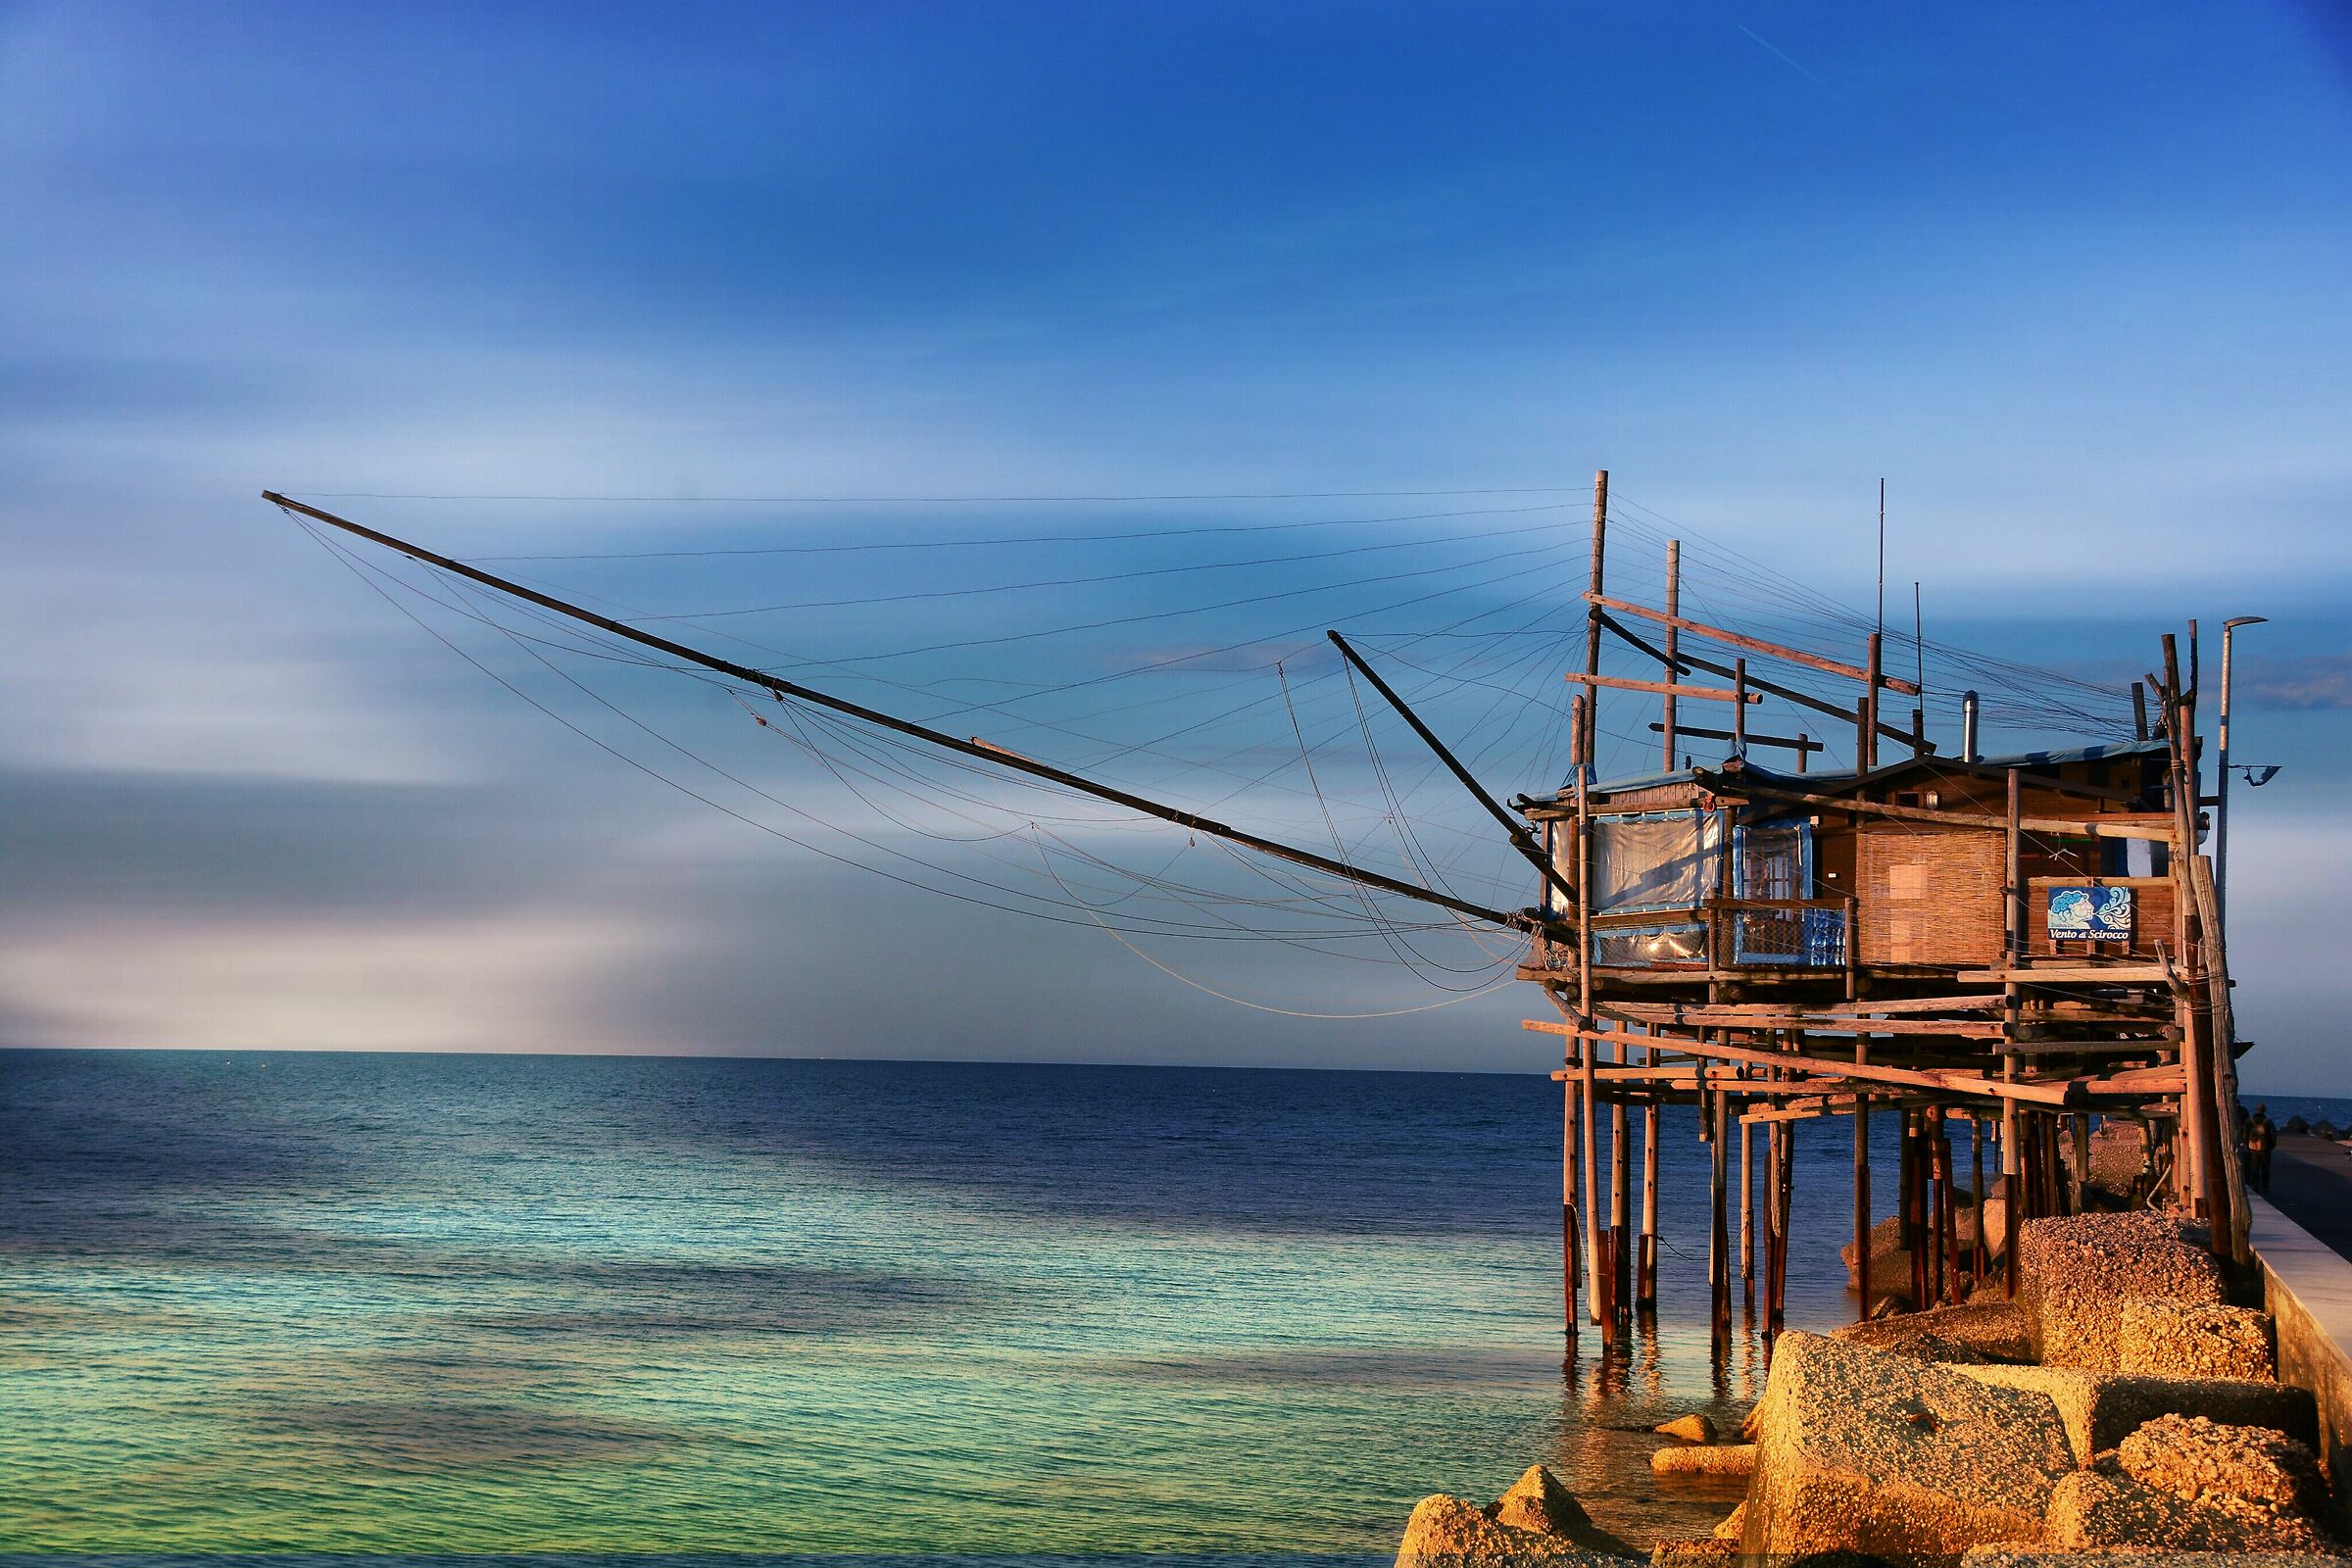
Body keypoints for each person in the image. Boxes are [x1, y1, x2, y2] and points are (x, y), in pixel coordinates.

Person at [2247, 1103, 2278, 1195]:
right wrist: (2271, 1145)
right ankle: (2264, 1186)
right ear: (2264, 1110)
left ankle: (2254, 1184)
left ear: (2256, 1109)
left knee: (2254, 1167)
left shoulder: (2250, 1121)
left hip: (2253, 1148)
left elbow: (2244, 1133)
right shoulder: (2268, 1122)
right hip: (2265, 1148)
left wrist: (2247, 1144)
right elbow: (2273, 1135)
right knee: (2265, 1168)